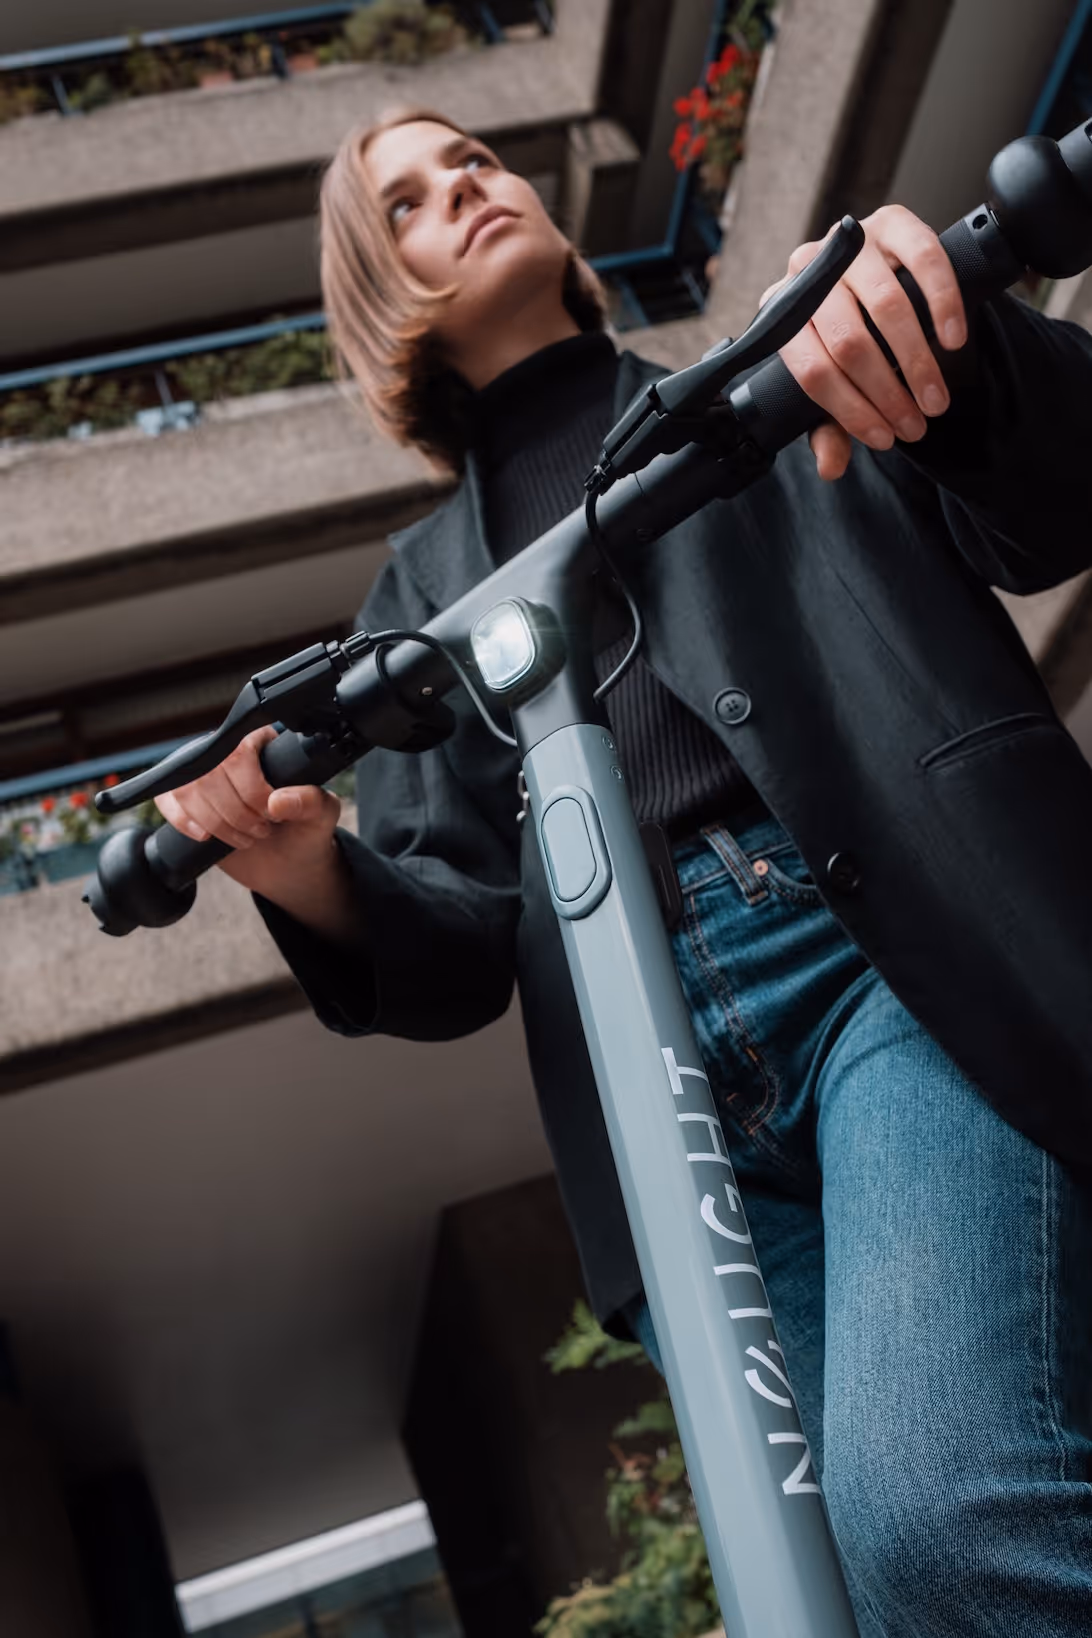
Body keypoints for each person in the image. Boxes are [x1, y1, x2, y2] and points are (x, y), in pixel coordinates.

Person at [156, 107, 1092, 1636]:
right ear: (374, 293)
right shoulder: (408, 612)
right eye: (406, 201)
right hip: (648, 1090)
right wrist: (301, 863)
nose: (463, 186)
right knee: (835, 1599)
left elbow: (1050, 494)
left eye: (471, 161)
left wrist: (945, 351)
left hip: (882, 971)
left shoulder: (779, 375)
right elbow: (457, 937)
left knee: (942, 1510)